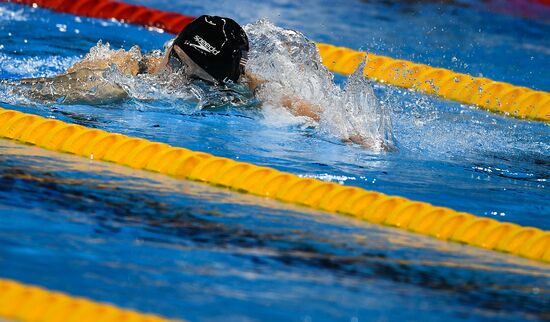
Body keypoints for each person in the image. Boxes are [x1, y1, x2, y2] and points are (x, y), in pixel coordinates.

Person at [15, 15, 391, 149]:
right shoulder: (125, 70)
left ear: (226, 82)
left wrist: (353, 135)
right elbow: (31, 92)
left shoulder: (247, 88)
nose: (179, 85)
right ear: (169, 51)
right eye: (177, 68)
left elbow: (304, 108)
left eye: (200, 83)